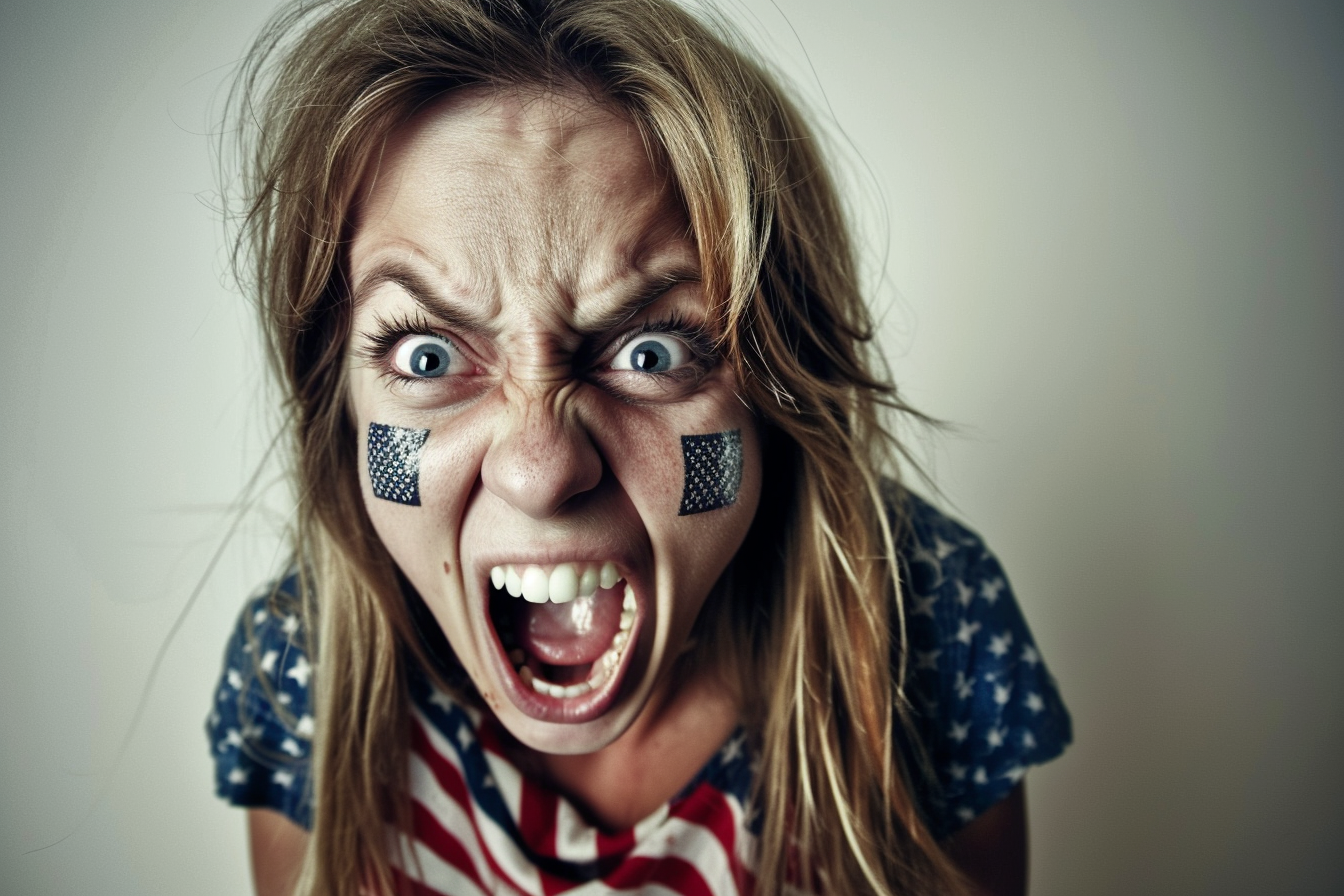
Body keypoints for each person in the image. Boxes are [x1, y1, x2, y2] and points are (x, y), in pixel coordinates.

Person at [205, 0, 1072, 893]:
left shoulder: (920, 631)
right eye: (428, 354)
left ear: (777, 390)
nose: (539, 471)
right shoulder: (303, 676)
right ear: (337, 400)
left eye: (651, 352)